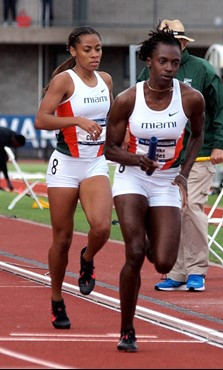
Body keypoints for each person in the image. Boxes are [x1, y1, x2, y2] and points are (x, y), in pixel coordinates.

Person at [104, 24, 205, 352]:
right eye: (163, 62)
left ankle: (149, 231)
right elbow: (109, 150)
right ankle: (127, 329)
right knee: (134, 253)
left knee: (163, 262)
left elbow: (198, 136)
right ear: (148, 60)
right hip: (132, 177)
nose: (169, 69)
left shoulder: (190, 98)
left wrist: (184, 173)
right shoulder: (127, 99)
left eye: (175, 63)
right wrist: (135, 159)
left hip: (165, 181)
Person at [138, 19, 223, 292]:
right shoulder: (149, 72)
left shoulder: (201, 69)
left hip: (198, 153)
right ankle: (177, 272)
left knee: (191, 208)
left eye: (175, 40)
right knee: (169, 212)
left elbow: (221, 108)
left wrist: (220, 144)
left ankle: (197, 270)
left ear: (183, 43)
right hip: (162, 157)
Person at [35, 26, 113, 330]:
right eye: (87, 50)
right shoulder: (64, 81)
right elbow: (41, 119)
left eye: (98, 49)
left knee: (102, 227)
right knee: (62, 238)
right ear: (73, 51)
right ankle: (57, 300)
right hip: (66, 165)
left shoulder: (105, 80)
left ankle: (88, 258)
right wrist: (77, 119)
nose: (94, 55)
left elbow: (113, 117)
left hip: (94, 163)